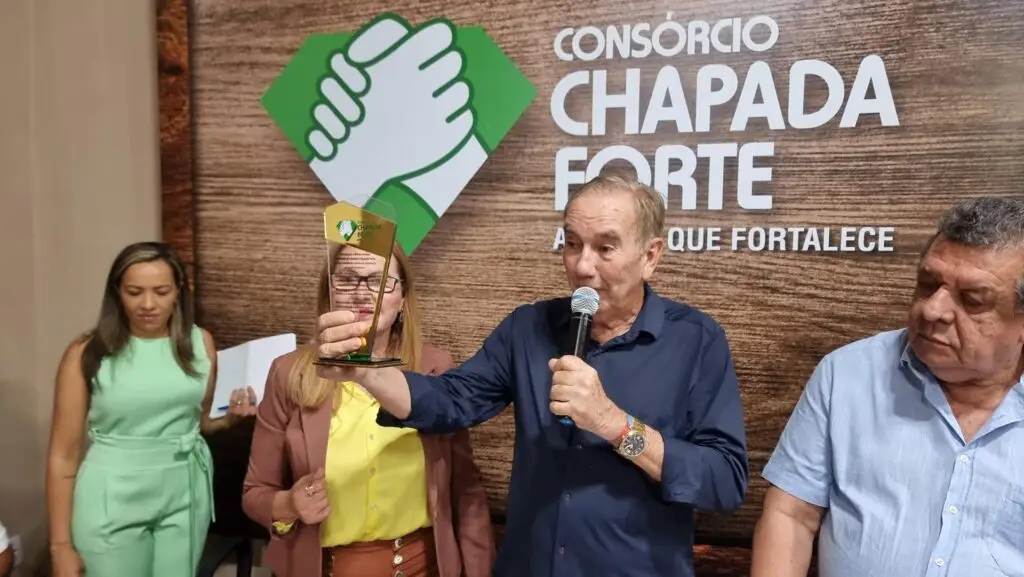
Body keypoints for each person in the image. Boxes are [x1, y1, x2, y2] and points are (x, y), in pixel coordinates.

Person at [314, 173, 750, 577]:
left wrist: (615, 425)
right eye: (573, 243)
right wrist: (365, 372)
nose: (582, 266)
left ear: (650, 256)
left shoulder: (696, 340)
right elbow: (449, 401)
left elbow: (724, 482)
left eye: (605, 248)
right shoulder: (528, 328)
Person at [750, 196, 1024, 577]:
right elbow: (791, 515)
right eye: (928, 285)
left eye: (972, 300)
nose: (932, 310)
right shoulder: (847, 374)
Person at [242, 241, 495, 577]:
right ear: (329, 293)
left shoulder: (435, 369)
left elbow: (465, 489)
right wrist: (288, 505)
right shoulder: (288, 373)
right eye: (347, 279)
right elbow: (255, 492)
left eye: (379, 281)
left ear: (402, 298)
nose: (362, 294)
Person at [45, 241, 255, 577]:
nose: (147, 304)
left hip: (184, 494)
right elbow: (62, 456)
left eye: (160, 292)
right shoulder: (86, 353)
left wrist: (228, 419)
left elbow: (199, 423)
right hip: (111, 498)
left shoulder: (200, 343)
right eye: (134, 292)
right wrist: (60, 547)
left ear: (178, 292)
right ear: (117, 293)